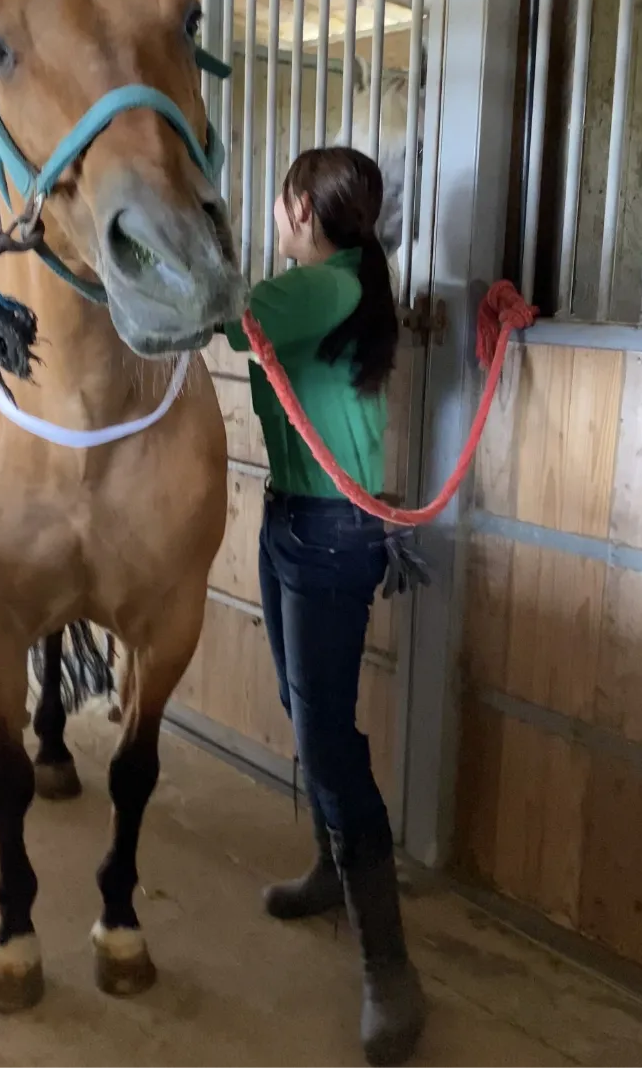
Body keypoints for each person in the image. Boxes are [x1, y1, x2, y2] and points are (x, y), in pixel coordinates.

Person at [224, 147, 425, 1066]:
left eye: (277, 203)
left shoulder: (321, 290)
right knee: (307, 716)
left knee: (329, 743)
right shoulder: (342, 282)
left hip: (330, 534)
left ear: (298, 207)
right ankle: (330, 873)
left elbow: (223, 319)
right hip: (295, 522)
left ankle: (390, 969)